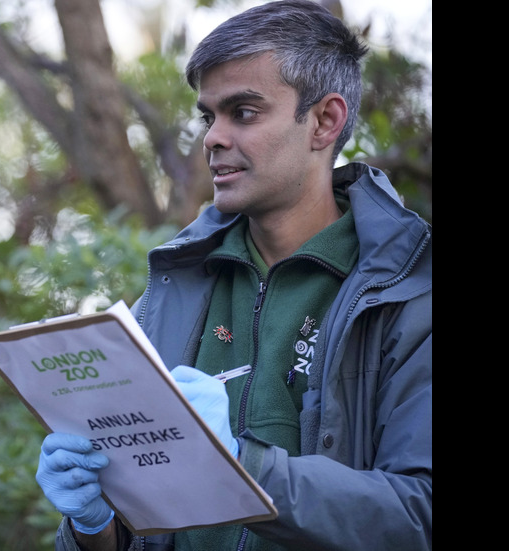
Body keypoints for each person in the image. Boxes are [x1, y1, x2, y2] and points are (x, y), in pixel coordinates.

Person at [34, 1, 432, 550]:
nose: (213, 138)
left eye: (243, 111)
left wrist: (245, 466)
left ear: (324, 121)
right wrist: (92, 524)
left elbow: (419, 519)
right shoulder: (171, 291)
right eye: (208, 116)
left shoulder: (412, 293)